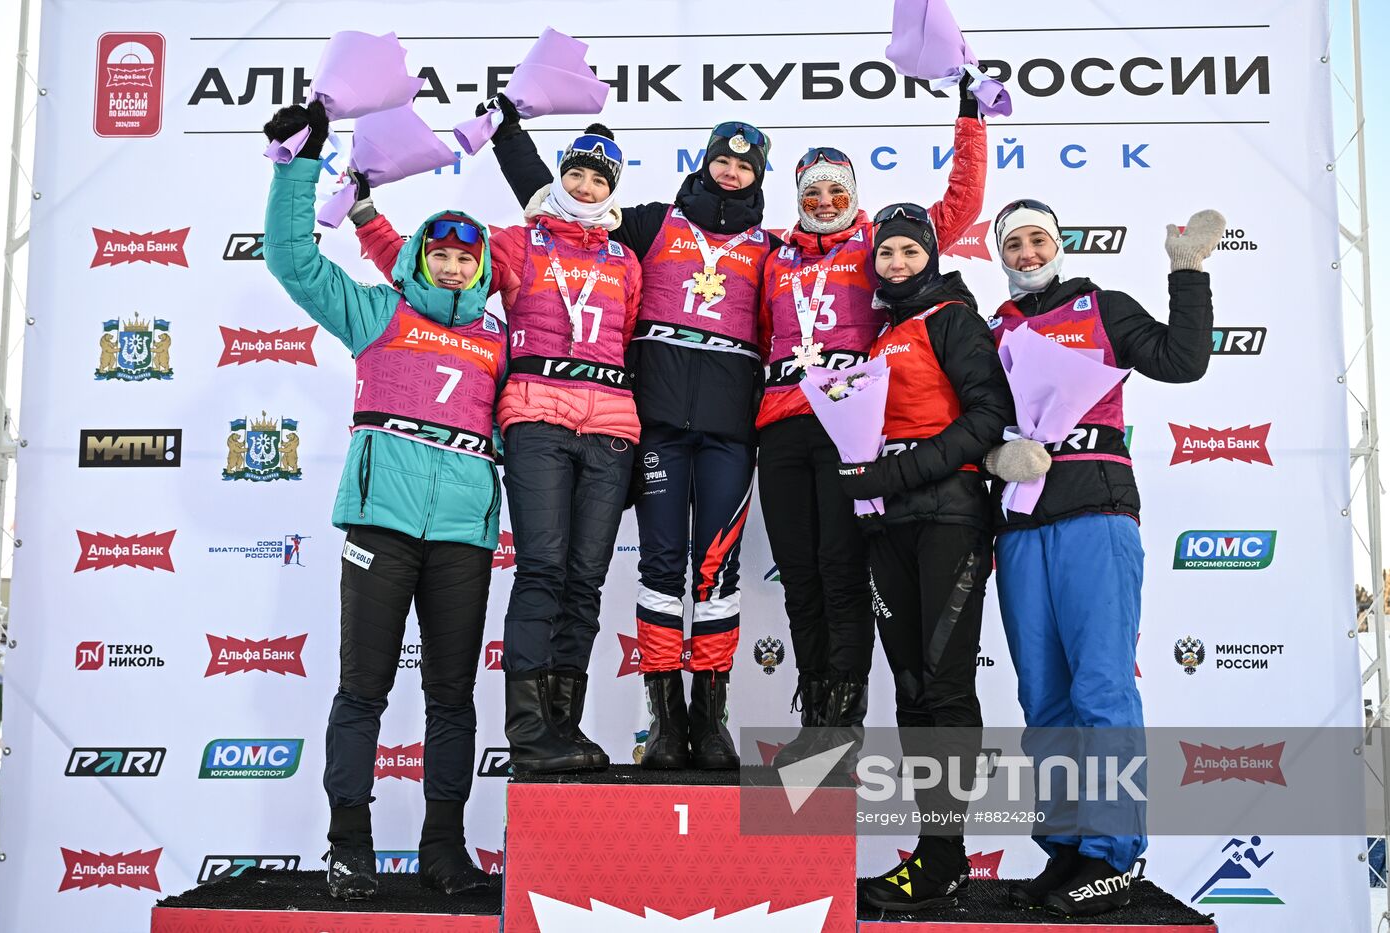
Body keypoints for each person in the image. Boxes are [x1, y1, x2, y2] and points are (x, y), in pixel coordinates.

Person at [485, 96, 778, 769]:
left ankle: (711, 717)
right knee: (658, 566)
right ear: (705, 161)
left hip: (732, 431)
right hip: (656, 427)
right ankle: (665, 719)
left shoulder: (770, 248)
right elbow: (559, 199)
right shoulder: (648, 224)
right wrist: (508, 134)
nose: (730, 172)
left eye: (744, 165)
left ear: (758, 176)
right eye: (722, 159)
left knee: (716, 571)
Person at [261, 102, 507, 901]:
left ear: (482, 268)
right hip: (383, 525)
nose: (455, 261)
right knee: (363, 688)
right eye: (441, 248)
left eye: (469, 255)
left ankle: (444, 848)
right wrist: (302, 167)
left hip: (465, 534)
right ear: (420, 257)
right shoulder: (377, 311)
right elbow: (293, 259)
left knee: (452, 696)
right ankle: (349, 846)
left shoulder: (500, 340)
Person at [352, 123, 642, 775]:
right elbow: (429, 274)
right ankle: (531, 731)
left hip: (612, 427)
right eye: (577, 173)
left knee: (586, 581)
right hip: (538, 416)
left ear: (612, 190)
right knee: (542, 568)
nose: (586, 186)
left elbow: (632, 341)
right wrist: (368, 217)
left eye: (599, 179)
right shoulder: (515, 242)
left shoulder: (626, 260)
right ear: (558, 177)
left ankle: (565, 726)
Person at [982, 200, 1224, 917]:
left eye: (1038, 240)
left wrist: (1187, 274)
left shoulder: (1102, 305)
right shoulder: (997, 328)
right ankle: (1066, 848)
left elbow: (1183, 362)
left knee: (1102, 693)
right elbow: (976, 418)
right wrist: (996, 453)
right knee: (1045, 700)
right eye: (1014, 243)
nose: (1027, 252)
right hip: (1022, 528)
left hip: (1097, 515)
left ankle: (1112, 854)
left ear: (1059, 244)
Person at [760, 83, 987, 764]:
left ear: (853, 194)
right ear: (797, 197)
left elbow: (958, 208)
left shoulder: (876, 242)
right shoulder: (774, 255)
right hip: (778, 426)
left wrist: (970, 120)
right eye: (812, 192)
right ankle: (816, 713)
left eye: (836, 190)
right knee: (798, 573)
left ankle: (843, 719)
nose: (824, 201)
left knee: (838, 570)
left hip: (845, 428)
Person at [835, 203, 1012, 912]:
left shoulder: (953, 318)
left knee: (943, 685)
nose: (898, 263)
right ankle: (934, 857)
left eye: (910, 251)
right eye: (887, 254)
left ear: (931, 257)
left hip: (948, 516)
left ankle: (946, 858)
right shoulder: (882, 335)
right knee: (910, 686)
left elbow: (985, 419)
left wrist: (891, 476)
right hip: (891, 526)